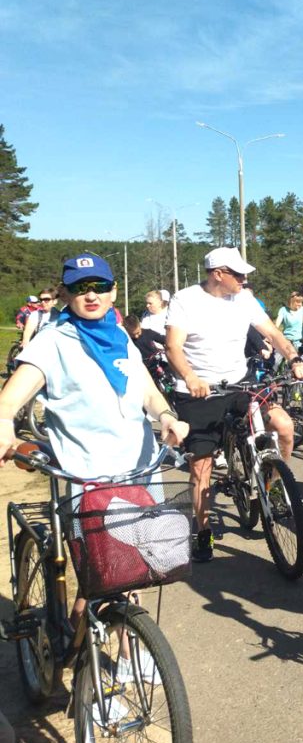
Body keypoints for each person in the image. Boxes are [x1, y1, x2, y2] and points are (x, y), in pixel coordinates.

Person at [0, 253, 189, 634]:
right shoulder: (52, 341)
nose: (91, 295)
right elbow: (10, 400)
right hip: (88, 475)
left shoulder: (119, 336)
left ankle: (126, 650)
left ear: (113, 291)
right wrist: (4, 425)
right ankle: (91, 662)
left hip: (139, 467)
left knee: (142, 565)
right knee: (101, 574)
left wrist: (166, 415)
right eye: (79, 288)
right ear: (66, 293)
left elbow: (147, 391)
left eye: (99, 286)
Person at [164, 247, 303, 563]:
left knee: (284, 426)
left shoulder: (244, 299)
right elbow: (172, 346)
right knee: (201, 466)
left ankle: (272, 488)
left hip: (240, 382)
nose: (244, 280)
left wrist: (295, 358)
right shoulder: (185, 300)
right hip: (200, 391)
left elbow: (272, 332)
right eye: (239, 274)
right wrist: (189, 376)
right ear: (218, 274)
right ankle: (203, 531)